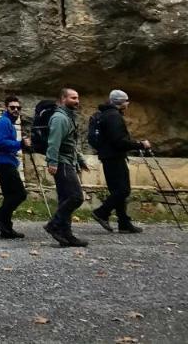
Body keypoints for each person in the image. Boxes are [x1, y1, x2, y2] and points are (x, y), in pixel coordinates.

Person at [91, 89, 151, 234]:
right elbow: (119, 142)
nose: (128, 103)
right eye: (126, 101)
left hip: (107, 157)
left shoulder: (104, 115)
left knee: (116, 191)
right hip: (114, 157)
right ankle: (101, 212)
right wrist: (140, 145)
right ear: (120, 102)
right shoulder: (113, 116)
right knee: (123, 190)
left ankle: (124, 223)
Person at [44, 87, 89, 247]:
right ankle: (53, 225)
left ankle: (66, 234)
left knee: (65, 199)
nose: (77, 101)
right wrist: (52, 162)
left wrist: (81, 160)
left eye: (77, 98)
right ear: (63, 99)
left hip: (69, 161)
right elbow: (54, 142)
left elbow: (71, 143)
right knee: (76, 197)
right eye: (73, 98)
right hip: (62, 163)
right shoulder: (59, 118)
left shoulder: (68, 117)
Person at [0, 95, 29, 239]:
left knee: (9, 196)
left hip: (6, 161)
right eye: (12, 107)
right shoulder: (4, 122)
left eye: (18, 108)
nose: (16, 110)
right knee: (20, 194)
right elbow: (0, 142)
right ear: (6, 108)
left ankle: (6, 229)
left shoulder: (9, 123)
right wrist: (20, 144)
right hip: (4, 162)